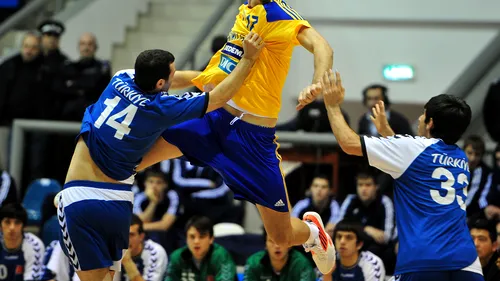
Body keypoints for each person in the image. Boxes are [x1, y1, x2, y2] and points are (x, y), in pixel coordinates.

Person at [138, 0, 336, 274]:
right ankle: (105, 193)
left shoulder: (277, 13)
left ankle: (313, 234)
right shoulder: (244, 9)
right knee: (139, 158)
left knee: (281, 236)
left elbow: (322, 46)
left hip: (251, 140)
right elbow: (205, 76)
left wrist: (316, 81)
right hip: (213, 118)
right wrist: (140, 82)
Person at [54, 32, 264, 281]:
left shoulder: (120, 77)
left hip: (81, 197)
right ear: (159, 84)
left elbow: (180, 81)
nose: (176, 77)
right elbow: (218, 98)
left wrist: (215, 74)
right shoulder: (161, 109)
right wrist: (248, 61)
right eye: (171, 75)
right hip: (119, 202)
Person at [318, 69, 482, 280]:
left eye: (423, 114)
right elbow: (414, 162)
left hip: (423, 258)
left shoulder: (413, 149)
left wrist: (332, 105)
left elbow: (348, 143)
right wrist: (388, 134)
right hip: (466, 260)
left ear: (430, 123)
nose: (420, 119)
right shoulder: (460, 158)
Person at [165, 216, 236, 281]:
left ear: (211, 239)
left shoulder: (220, 256)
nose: (196, 241)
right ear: (186, 239)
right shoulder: (177, 257)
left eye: (201, 237)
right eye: (192, 237)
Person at [244, 228, 316, 281]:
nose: (277, 246)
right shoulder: (253, 263)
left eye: (281, 240)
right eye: (271, 241)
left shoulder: (302, 264)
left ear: (290, 244)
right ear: (266, 245)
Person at [0, 203, 45, 281]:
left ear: (24, 226)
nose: (12, 227)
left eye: (17, 222)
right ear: (0, 225)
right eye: (7, 222)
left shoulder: (34, 245)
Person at [120, 214, 168, 281]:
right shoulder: (109, 248)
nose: (125, 239)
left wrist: (127, 261)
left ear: (141, 237)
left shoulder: (155, 252)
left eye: (131, 235)